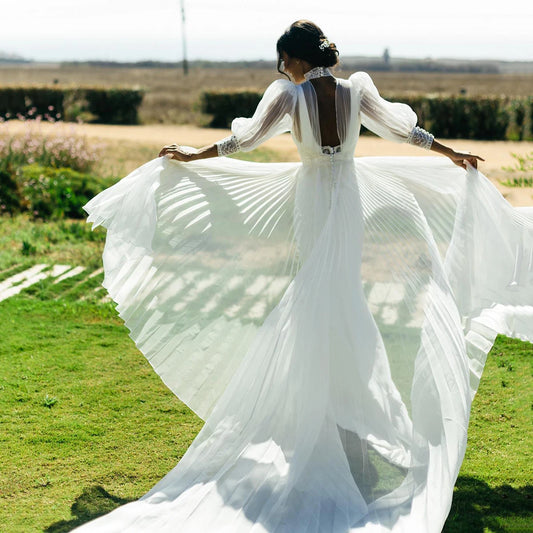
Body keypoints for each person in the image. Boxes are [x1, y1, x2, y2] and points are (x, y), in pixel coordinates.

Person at [75, 20, 533, 533]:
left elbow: (243, 140)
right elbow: (404, 132)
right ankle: (344, 412)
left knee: (325, 298)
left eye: (282, 59)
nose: (280, 68)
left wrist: (193, 155)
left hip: (314, 198)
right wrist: (450, 153)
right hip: (348, 194)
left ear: (296, 57)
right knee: (339, 297)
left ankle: (332, 415)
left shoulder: (290, 96)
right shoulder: (356, 90)